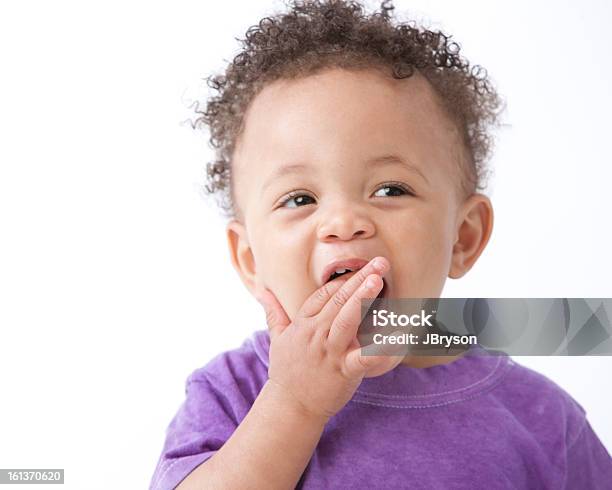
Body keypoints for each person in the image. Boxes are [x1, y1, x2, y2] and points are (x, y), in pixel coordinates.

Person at [149, 1, 612, 488]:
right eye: (300, 198)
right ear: (250, 260)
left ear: (464, 236)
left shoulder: (541, 418)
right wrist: (295, 403)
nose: (344, 222)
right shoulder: (234, 393)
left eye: (390, 190)